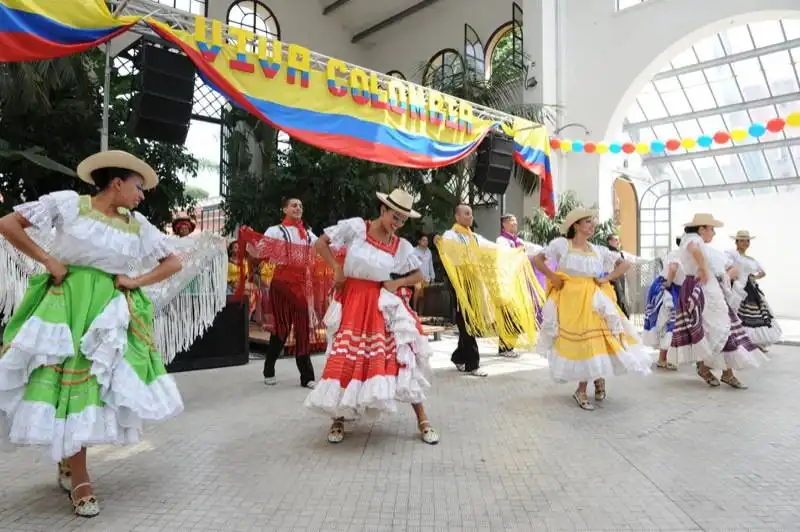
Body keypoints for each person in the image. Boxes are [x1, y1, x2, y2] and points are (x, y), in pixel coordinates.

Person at [0, 150, 224, 517]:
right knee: (68, 385)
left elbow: (173, 262)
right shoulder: (70, 205)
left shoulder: (137, 224)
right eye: (138, 187)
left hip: (107, 310)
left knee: (94, 386)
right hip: (66, 304)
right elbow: (8, 223)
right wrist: (49, 260)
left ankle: (74, 467)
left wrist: (136, 280)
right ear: (117, 183)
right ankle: (80, 477)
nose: (141, 196)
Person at [304, 189, 439, 445]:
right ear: (382, 210)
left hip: (380, 304)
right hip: (352, 301)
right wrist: (337, 269)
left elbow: (419, 276)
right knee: (346, 358)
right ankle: (338, 418)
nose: (397, 224)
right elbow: (320, 244)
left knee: (401, 357)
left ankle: (423, 420)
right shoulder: (356, 228)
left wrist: (396, 284)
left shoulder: (400, 245)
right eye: (395, 217)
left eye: (402, 220)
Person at [533, 208, 653, 411]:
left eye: (593, 222)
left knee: (597, 339)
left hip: (594, 299)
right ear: (576, 225)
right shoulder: (562, 245)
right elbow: (537, 259)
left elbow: (625, 264)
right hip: (570, 300)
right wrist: (552, 276)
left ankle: (584, 387)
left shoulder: (599, 250)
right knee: (582, 341)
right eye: (587, 221)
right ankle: (593, 381)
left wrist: (607, 278)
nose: (592, 225)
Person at [668, 214, 765, 389]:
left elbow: (729, 267)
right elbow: (694, 249)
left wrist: (722, 275)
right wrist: (704, 269)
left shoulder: (705, 247)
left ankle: (720, 371)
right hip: (701, 288)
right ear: (701, 229)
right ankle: (713, 369)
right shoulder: (692, 239)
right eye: (711, 229)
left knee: (719, 328)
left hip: (708, 289)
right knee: (715, 328)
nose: (713, 233)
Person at [260, 198, 317, 389]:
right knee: (281, 329)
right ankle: (269, 368)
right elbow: (261, 250)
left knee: (303, 329)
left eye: (301, 206)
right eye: (294, 205)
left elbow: (323, 251)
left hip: (301, 285)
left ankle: (307, 376)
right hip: (282, 284)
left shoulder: (308, 234)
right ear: (284, 208)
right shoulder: (275, 231)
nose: (298, 208)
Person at [439, 204, 496, 377]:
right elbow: (449, 251)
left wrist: (517, 251)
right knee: (467, 322)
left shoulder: (474, 237)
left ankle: (458, 356)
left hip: (474, 286)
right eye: (466, 214)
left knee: (467, 323)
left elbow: (492, 247)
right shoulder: (451, 235)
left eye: (471, 214)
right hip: (460, 286)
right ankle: (473, 364)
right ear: (457, 217)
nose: (470, 217)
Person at [495, 213, 544, 357]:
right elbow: (505, 255)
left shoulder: (518, 240)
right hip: (507, 281)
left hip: (519, 282)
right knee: (508, 314)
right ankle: (504, 347)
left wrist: (546, 249)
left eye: (516, 221)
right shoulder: (501, 240)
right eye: (512, 221)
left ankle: (509, 345)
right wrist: (519, 251)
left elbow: (533, 248)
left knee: (516, 313)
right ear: (504, 224)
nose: (515, 224)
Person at [725, 230, 781, 350]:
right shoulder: (733, 255)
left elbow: (763, 272)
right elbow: (726, 266)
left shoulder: (751, 259)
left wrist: (753, 277)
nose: (745, 242)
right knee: (736, 314)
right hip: (736, 286)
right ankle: (738, 341)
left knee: (752, 316)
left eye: (747, 240)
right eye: (742, 240)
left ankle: (752, 342)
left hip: (749, 288)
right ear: (736, 242)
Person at [642, 237, 684, 370]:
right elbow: (673, 268)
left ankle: (664, 358)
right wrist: (669, 284)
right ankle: (664, 358)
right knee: (669, 323)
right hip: (667, 288)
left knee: (669, 324)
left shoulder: (681, 255)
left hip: (670, 287)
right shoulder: (678, 254)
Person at [411, 233, 435, 313]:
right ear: (419, 241)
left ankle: (421, 313)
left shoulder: (429, 252)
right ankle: (414, 310)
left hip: (426, 277)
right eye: (424, 240)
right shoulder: (414, 251)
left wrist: (432, 276)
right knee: (417, 292)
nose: (426, 242)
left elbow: (430, 264)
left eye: (427, 240)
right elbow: (411, 264)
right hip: (417, 276)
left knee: (423, 296)